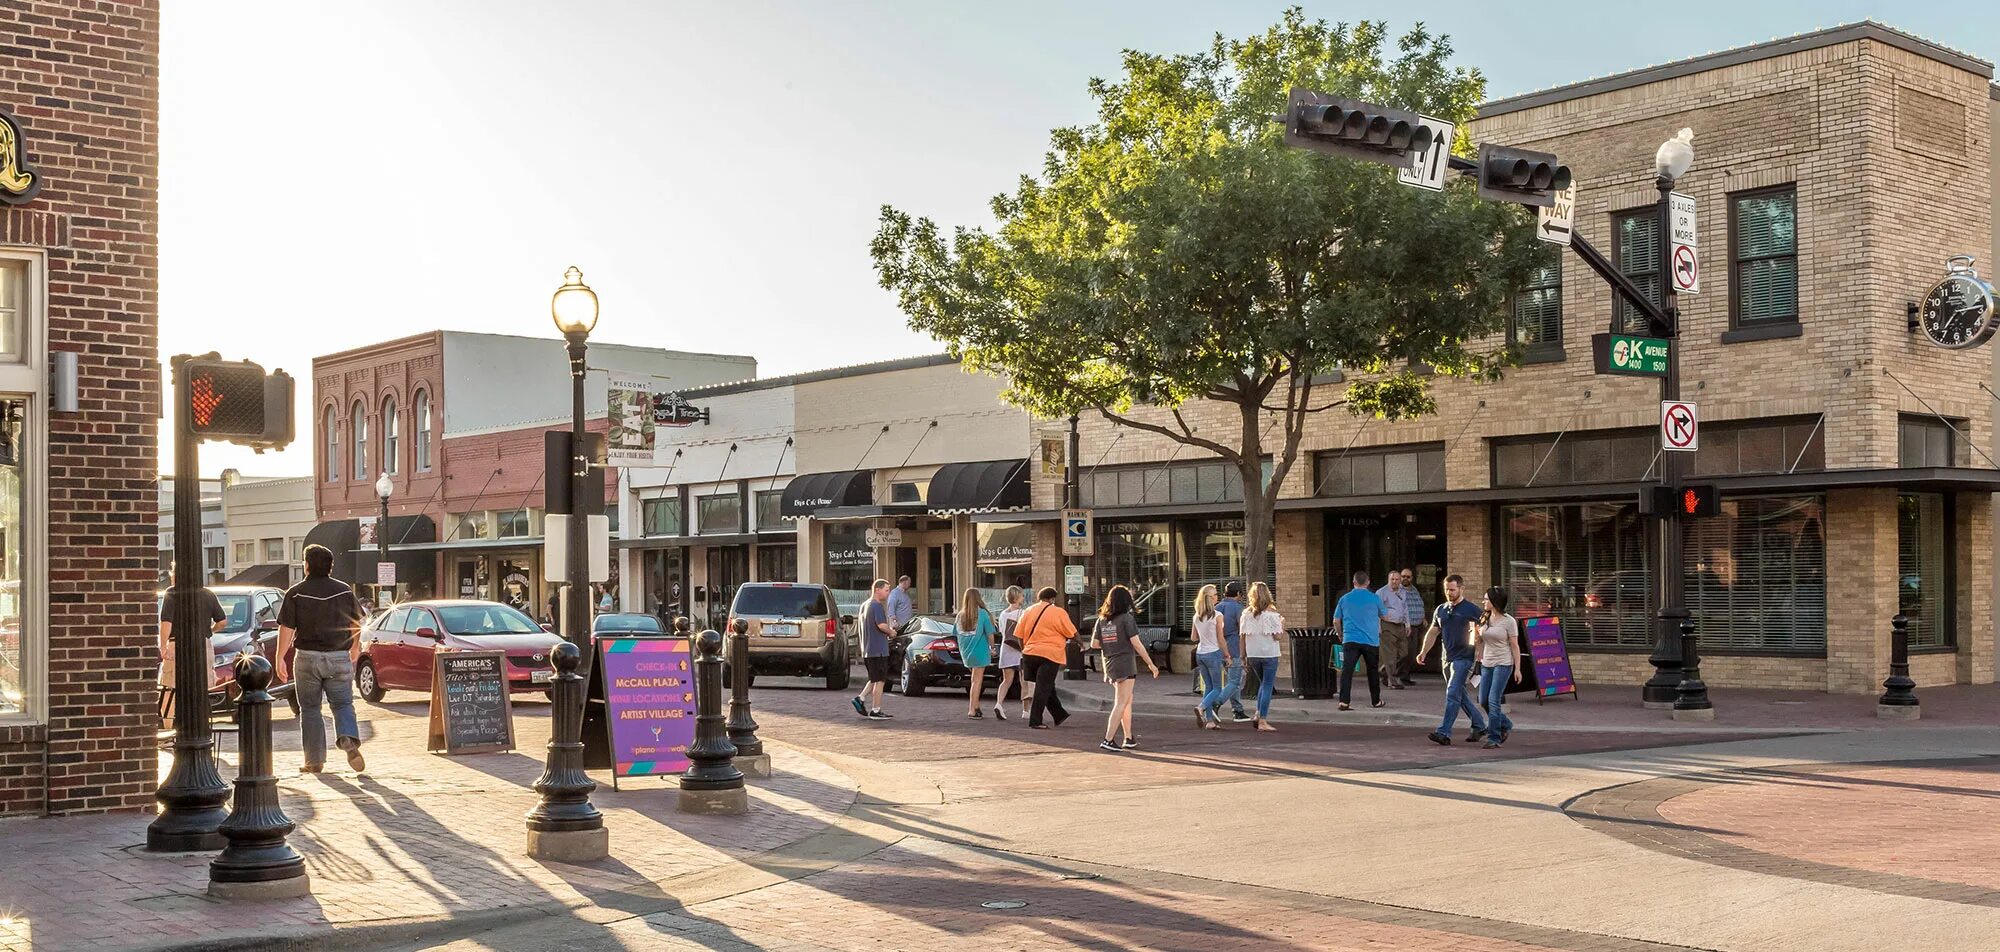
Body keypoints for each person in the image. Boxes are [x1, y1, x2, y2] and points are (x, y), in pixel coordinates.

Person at [275, 544, 368, 774]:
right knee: (343, 703)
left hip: (307, 658)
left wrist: (280, 658)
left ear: (306, 565)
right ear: (330, 566)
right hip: (338, 657)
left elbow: (286, 628)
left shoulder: (296, 592)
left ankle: (314, 761)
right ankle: (348, 739)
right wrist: (355, 647)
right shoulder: (344, 591)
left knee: (310, 709)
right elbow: (355, 622)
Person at [1415, 574, 1488, 747]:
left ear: (1461, 589)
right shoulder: (1441, 609)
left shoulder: (1472, 610)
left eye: (1453, 589)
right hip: (1446, 657)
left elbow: (1485, 633)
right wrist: (1423, 651)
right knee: (1458, 694)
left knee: (1452, 692)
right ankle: (1479, 725)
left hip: (1464, 658)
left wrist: (1480, 653)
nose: (1449, 592)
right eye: (1447, 589)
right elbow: (1433, 632)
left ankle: (1444, 732)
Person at [1094, 584, 1159, 751]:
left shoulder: (1102, 620)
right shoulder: (1126, 618)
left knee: (1127, 701)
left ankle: (1128, 737)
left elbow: (1095, 644)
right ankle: (1108, 739)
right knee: (1121, 702)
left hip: (1110, 662)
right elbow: (1137, 644)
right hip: (1125, 662)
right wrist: (1151, 664)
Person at [157, 582, 227, 729]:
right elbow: (222, 621)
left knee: (170, 690)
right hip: (203, 644)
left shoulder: (172, 593)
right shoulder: (208, 594)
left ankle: (168, 730)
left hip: (177, 644)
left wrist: (163, 646)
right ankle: (201, 728)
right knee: (202, 689)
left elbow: (166, 622)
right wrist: (209, 631)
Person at [1016, 586, 1076, 729]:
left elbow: (1018, 635)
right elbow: (1071, 632)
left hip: (1030, 653)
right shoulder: (1058, 612)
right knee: (1043, 687)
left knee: (1047, 685)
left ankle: (1059, 714)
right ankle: (1035, 720)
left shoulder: (1028, 611)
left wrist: (1024, 649)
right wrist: (1081, 643)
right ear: (1052, 599)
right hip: (1050, 654)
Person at [1331, 570, 1386, 711]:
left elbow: (1336, 620)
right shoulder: (1375, 598)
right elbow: (1385, 616)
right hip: (1371, 640)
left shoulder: (1344, 599)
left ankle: (1344, 701)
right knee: (1372, 671)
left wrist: (1340, 634)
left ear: (1354, 582)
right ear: (1368, 583)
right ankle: (1376, 701)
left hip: (1350, 639)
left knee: (1347, 671)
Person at [1475, 587, 1521, 749]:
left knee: (1494, 700)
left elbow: (1515, 646)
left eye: (1486, 599)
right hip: (1486, 662)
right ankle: (1506, 723)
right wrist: (1477, 649)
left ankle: (1494, 737)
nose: (1483, 602)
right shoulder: (1484, 618)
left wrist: (1517, 668)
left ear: (1495, 602)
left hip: (1503, 663)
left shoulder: (1509, 621)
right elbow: (1479, 641)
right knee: (1483, 700)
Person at [1240, 582, 1284, 732]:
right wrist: (1282, 623)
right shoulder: (1271, 613)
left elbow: (1242, 637)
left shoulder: (1246, 614)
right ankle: (1263, 719)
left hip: (1253, 653)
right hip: (1269, 653)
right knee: (1267, 685)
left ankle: (1258, 713)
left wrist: (1242, 656)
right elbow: (1278, 636)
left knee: (1262, 684)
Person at [852, 579, 896, 720]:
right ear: (877, 589)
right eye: (886, 590)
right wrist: (891, 632)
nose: (888, 593)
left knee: (874, 677)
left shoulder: (864, 605)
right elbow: (881, 625)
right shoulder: (876, 606)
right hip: (878, 648)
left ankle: (861, 698)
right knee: (880, 681)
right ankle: (876, 710)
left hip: (867, 648)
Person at [1189, 584, 1229, 729]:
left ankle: (1209, 720)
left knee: (1209, 686)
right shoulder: (1217, 616)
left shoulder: (1197, 616)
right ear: (1211, 598)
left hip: (1200, 653)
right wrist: (1227, 655)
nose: (1217, 597)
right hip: (1213, 652)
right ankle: (1201, 707)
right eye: (1216, 595)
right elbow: (1221, 638)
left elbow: (1193, 637)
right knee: (1217, 688)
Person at [956, 587, 997, 719]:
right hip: (979, 650)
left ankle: (976, 706)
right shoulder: (983, 613)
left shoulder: (960, 615)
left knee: (974, 680)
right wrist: (992, 647)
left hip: (966, 651)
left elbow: (955, 633)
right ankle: (972, 709)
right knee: (977, 681)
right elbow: (990, 634)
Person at [1215, 581, 1250, 722]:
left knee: (1231, 681)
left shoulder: (1217, 607)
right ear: (1238, 594)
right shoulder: (1238, 608)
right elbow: (1242, 631)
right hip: (1234, 647)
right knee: (1235, 681)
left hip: (1218, 648)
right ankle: (1215, 704)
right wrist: (1244, 654)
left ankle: (1238, 710)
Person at [992, 586, 1028, 721]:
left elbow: (1002, 631)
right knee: (1024, 680)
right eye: (1022, 596)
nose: (1023, 598)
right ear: (1018, 597)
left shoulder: (1002, 614)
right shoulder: (1022, 613)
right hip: (1020, 649)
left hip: (1006, 648)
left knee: (1006, 680)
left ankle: (999, 703)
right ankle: (1026, 711)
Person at [1375, 570, 1413, 690]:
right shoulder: (1381, 592)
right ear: (1388, 579)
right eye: (1392, 579)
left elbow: (1405, 608)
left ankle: (1383, 669)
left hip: (1400, 625)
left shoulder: (1403, 591)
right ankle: (1392, 682)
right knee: (1389, 655)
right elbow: (1376, 611)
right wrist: (1378, 627)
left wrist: (1408, 624)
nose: (1395, 582)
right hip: (1387, 625)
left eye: (1397, 579)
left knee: (1404, 652)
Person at [1393, 568, 1424, 686]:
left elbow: (1419, 604)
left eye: (1408, 577)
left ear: (1412, 578)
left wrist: (1423, 617)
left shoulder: (1414, 590)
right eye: (1403, 576)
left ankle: (1404, 676)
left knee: (1411, 653)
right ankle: (1386, 672)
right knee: (1403, 652)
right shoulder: (1397, 590)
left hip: (1415, 626)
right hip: (1404, 626)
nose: (1405, 579)